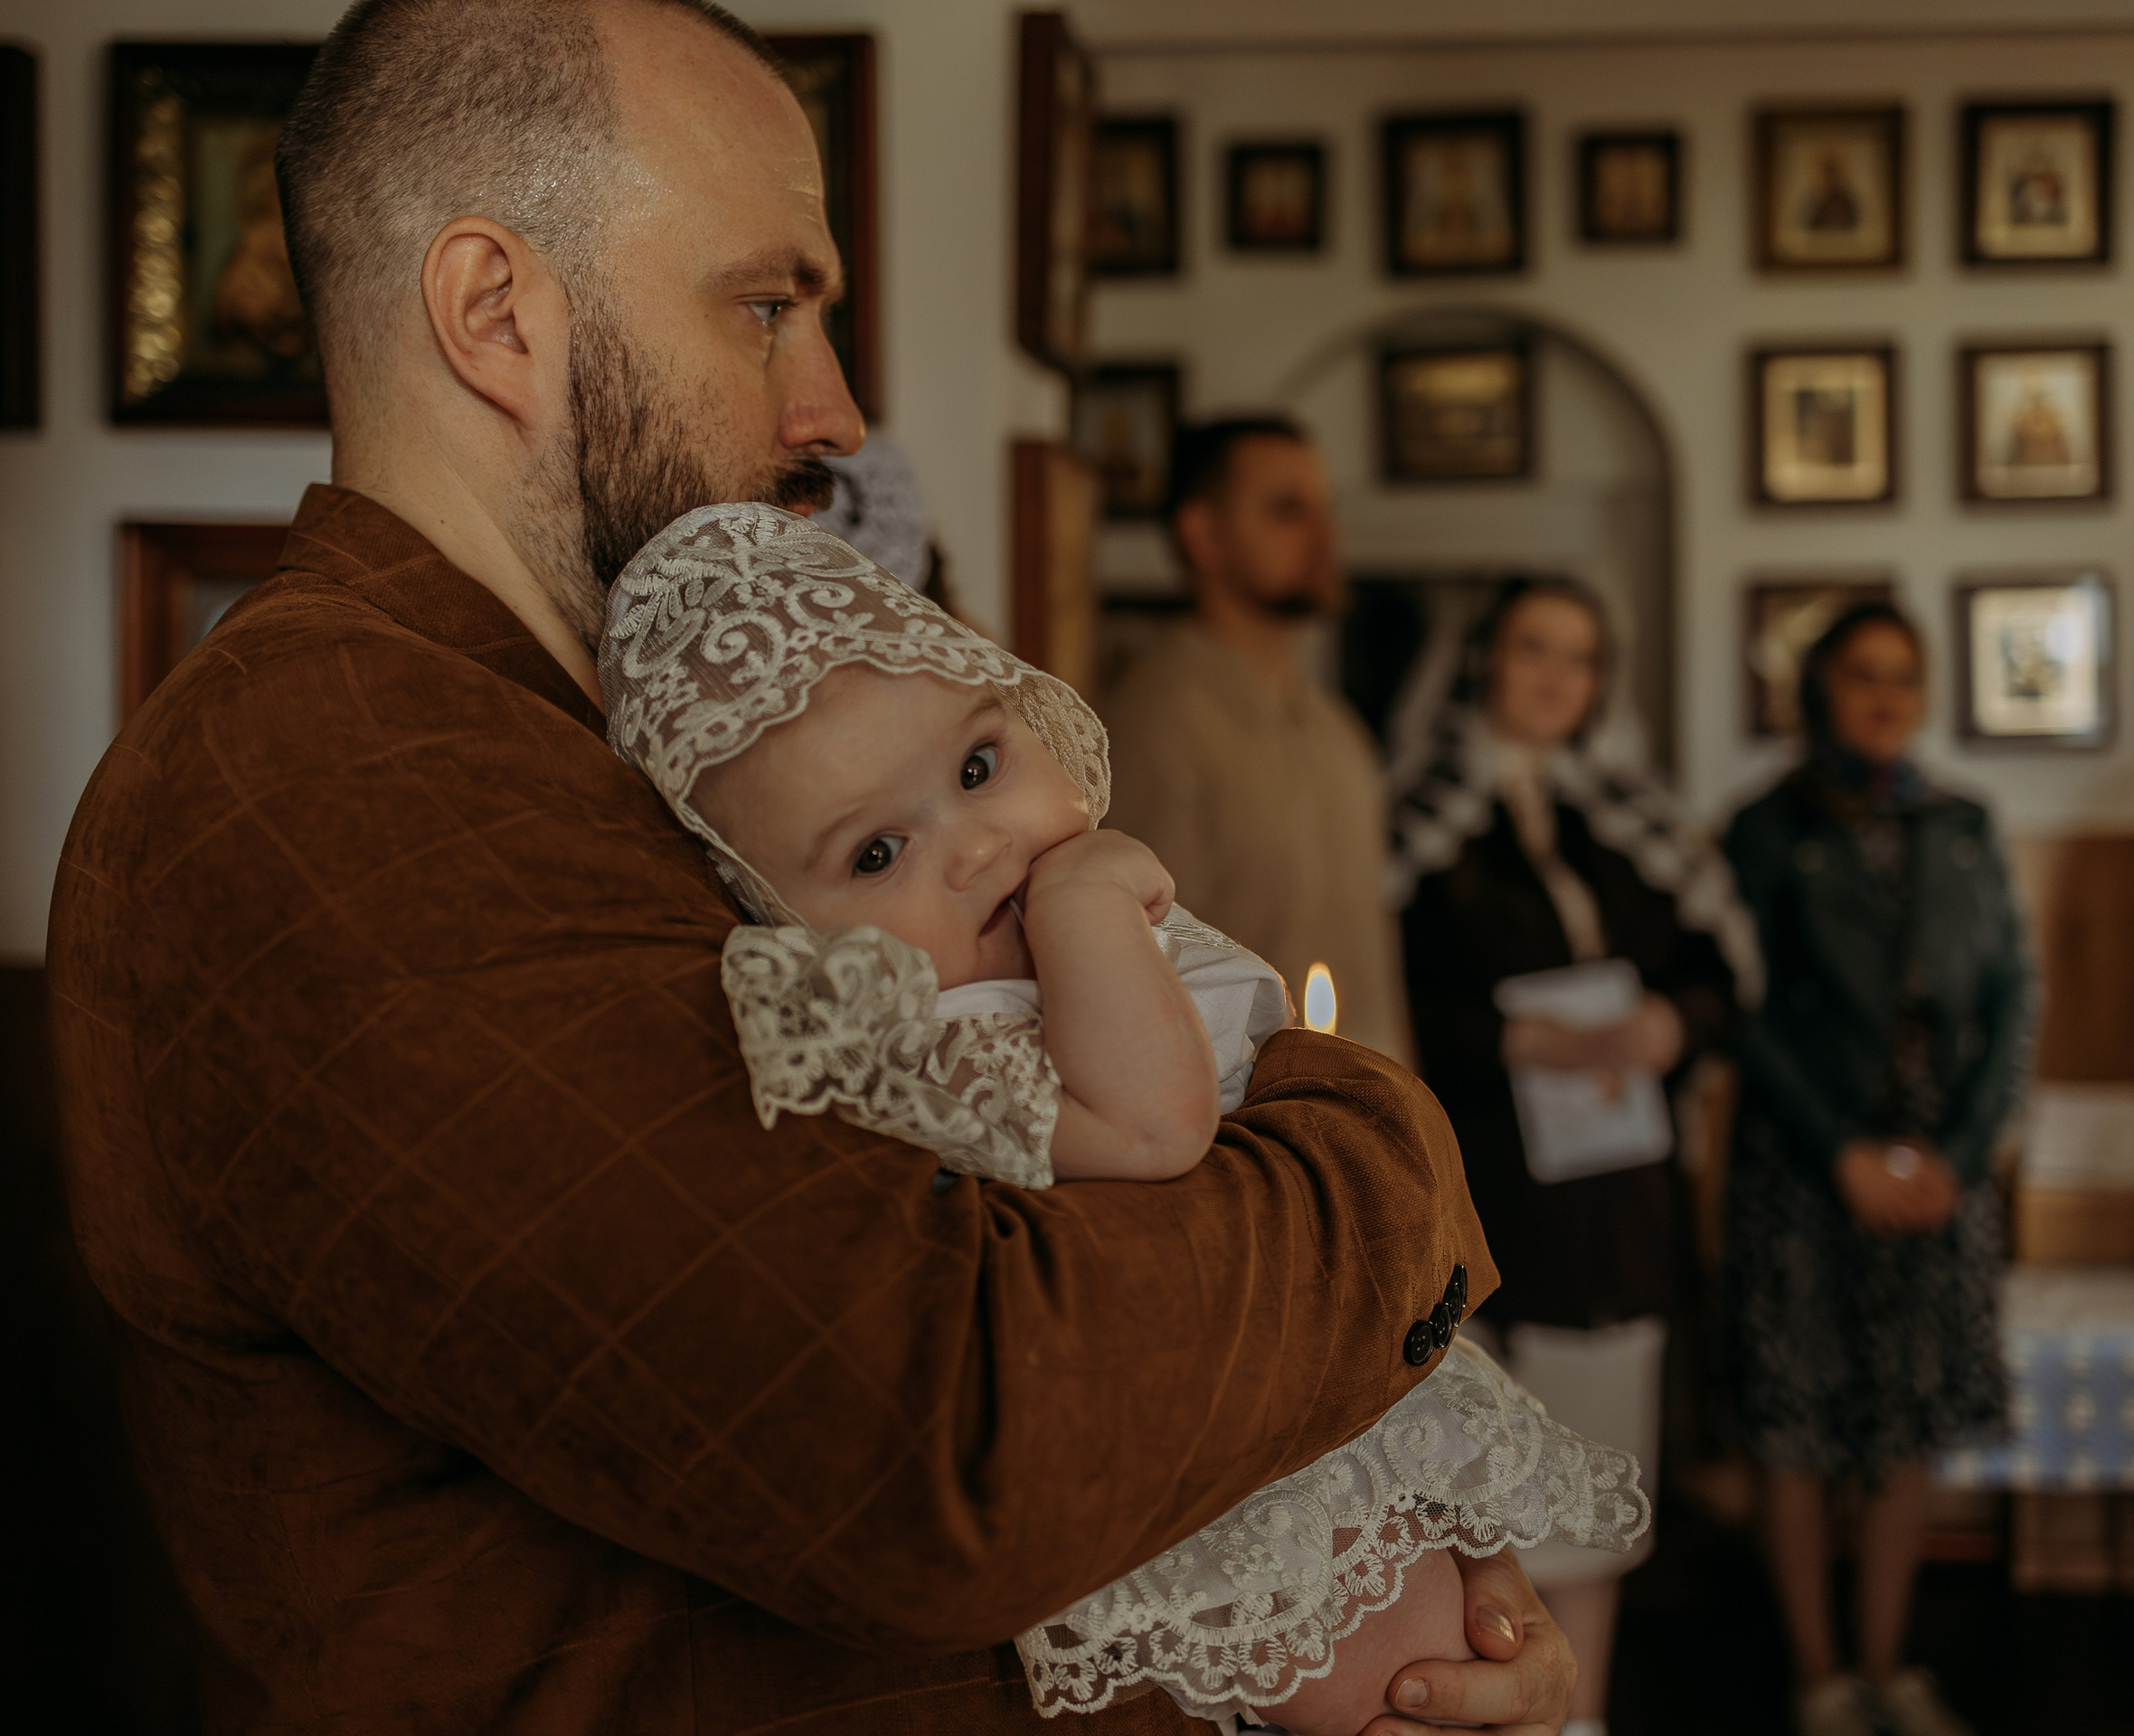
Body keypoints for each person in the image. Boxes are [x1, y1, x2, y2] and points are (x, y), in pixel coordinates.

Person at [42, 4, 1580, 1731]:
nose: (837, 412)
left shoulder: (617, 755)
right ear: (495, 314)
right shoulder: (338, 764)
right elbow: (946, 1443)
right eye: (765, 303)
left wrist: (1389, 1599)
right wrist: (1384, 1152)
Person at [602, 502, 1653, 1734]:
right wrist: (1094, 914)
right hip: (1234, 1487)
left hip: (1331, 1395)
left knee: (1479, 1656)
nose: (976, 848)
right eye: (877, 853)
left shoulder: (1065, 943)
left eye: (980, 769)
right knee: (1413, 1687)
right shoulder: (943, 1042)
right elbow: (1153, 1133)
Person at [1391, 579, 1757, 1736]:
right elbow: (1379, 991)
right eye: (1530, 649)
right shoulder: (1414, 823)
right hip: (1484, 1197)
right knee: (1474, 1511)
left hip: (1615, 1206)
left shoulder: (1628, 820)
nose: (1555, 677)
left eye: (1580, 657)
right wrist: (1511, 1036)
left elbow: (1719, 981)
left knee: (1595, 1506)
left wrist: (1667, 1028)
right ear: (1480, 664)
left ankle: (1578, 1721)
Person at [1722, 603, 2030, 1736]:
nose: (1887, 695)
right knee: (1794, 1424)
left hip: (1939, 1176)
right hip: (1804, 1167)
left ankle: (1886, 1663)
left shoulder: (1965, 824)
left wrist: (1961, 1159)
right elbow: (1743, 1013)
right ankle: (1819, 1679)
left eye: (1905, 675)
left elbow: (2011, 1002)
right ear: (1820, 692)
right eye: (1862, 675)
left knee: (1908, 1425)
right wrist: (1838, 1152)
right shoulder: (1763, 826)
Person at [1102, 418, 1412, 1061]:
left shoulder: (1336, 728)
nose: (1326, 537)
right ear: (1205, 535)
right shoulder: (1157, 716)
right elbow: (1141, 959)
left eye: (1327, 510)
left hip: (1373, 1120)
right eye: (1287, 511)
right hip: (1251, 1129)